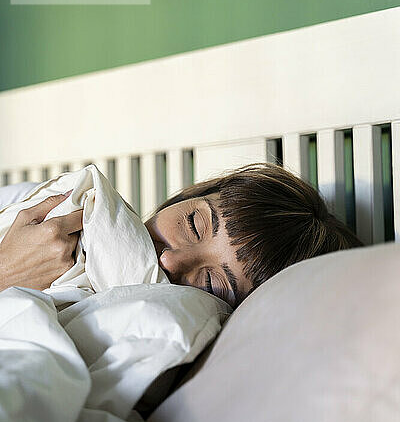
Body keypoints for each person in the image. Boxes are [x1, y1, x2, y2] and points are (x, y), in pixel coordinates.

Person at [0, 163, 362, 308]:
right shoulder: (38, 207)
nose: (171, 260)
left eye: (209, 283)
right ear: (187, 198)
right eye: (193, 224)